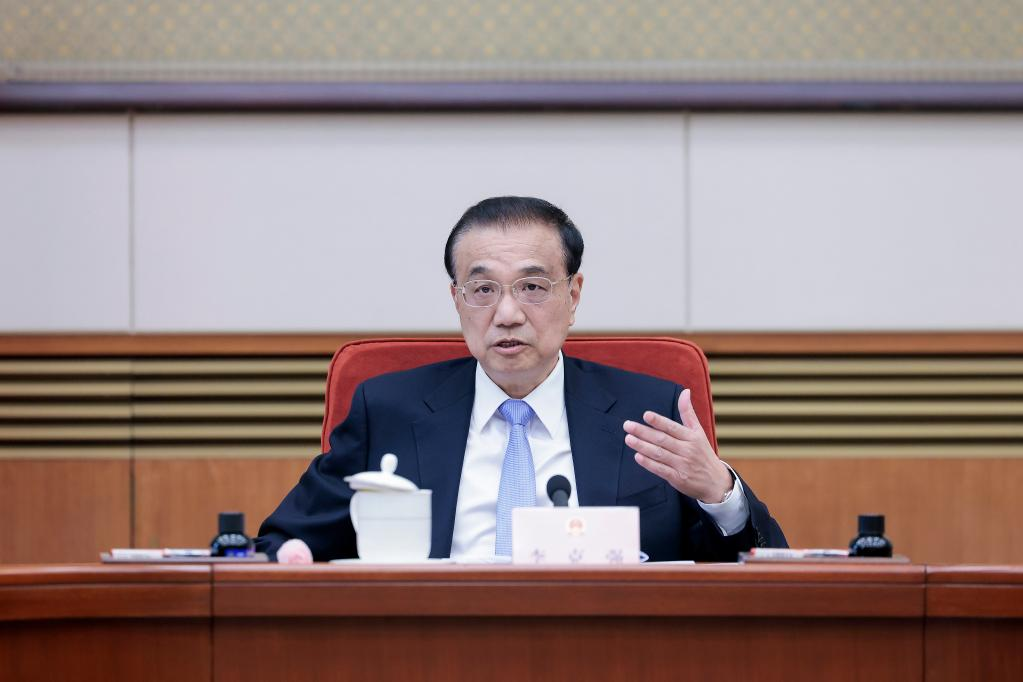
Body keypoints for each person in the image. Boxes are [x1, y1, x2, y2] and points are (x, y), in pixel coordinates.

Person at [256, 196, 786, 561]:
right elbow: (284, 540)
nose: (507, 313)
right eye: (483, 290)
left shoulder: (650, 413)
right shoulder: (388, 411)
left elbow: (754, 569)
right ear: (456, 300)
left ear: (573, 296)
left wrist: (721, 492)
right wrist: (294, 555)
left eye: (533, 287)